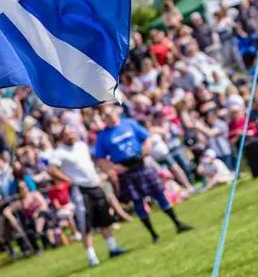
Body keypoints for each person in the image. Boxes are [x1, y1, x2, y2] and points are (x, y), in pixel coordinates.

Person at [94, 104, 193, 244]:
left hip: (141, 164)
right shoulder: (103, 136)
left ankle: (178, 224)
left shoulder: (129, 124)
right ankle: (154, 235)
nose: (109, 117)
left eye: (110, 113)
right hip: (126, 170)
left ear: (115, 113)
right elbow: (100, 159)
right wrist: (115, 168)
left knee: (160, 193)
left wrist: (146, 150)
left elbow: (146, 138)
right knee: (138, 202)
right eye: (105, 116)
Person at [48, 126, 128, 267]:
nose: (71, 135)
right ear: (61, 138)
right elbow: (51, 169)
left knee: (104, 218)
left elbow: (91, 161)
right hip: (80, 189)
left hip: (94, 185)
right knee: (86, 223)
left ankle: (113, 247)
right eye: (67, 134)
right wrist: (68, 180)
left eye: (72, 132)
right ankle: (92, 257)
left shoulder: (81, 146)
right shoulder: (59, 152)